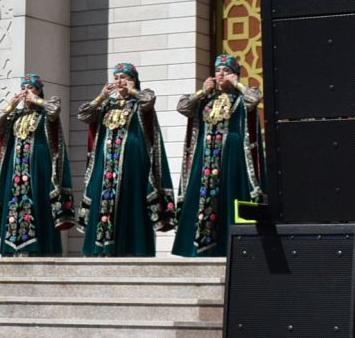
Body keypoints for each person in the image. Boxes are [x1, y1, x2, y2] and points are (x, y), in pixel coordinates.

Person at [76, 63, 176, 258]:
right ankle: (101, 249)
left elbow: (149, 99)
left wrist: (133, 90)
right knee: (103, 204)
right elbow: (83, 114)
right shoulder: (107, 105)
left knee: (129, 203)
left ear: (133, 79)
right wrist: (101, 96)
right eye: (116, 77)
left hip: (131, 166)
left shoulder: (139, 101)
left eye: (124, 77)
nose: (119, 81)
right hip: (105, 167)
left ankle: (131, 248)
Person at [173, 55, 265, 258]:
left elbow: (255, 98)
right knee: (203, 200)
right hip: (204, 158)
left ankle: (230, 247)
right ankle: (199, 248)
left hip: (231, 157)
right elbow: (182, 107)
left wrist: (238, 84)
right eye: (218, 70)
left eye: (226, 70)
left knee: (227, 197)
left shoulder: (241, 98)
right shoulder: (205, 100)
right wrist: (201, 91)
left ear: (235, 74)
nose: (221, 74)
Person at [0, 75, 75, 256]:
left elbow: (54, 109)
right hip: (15, 171)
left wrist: (36, 99)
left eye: (31, 88)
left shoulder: (45, 111)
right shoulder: (15, 116)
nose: (26, 92)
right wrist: (11, 105)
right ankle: (13, 250)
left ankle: (38, 249)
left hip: (38, 170)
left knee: (37, 204)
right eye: (23, 88)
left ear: (39, 90)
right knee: (14, 206)